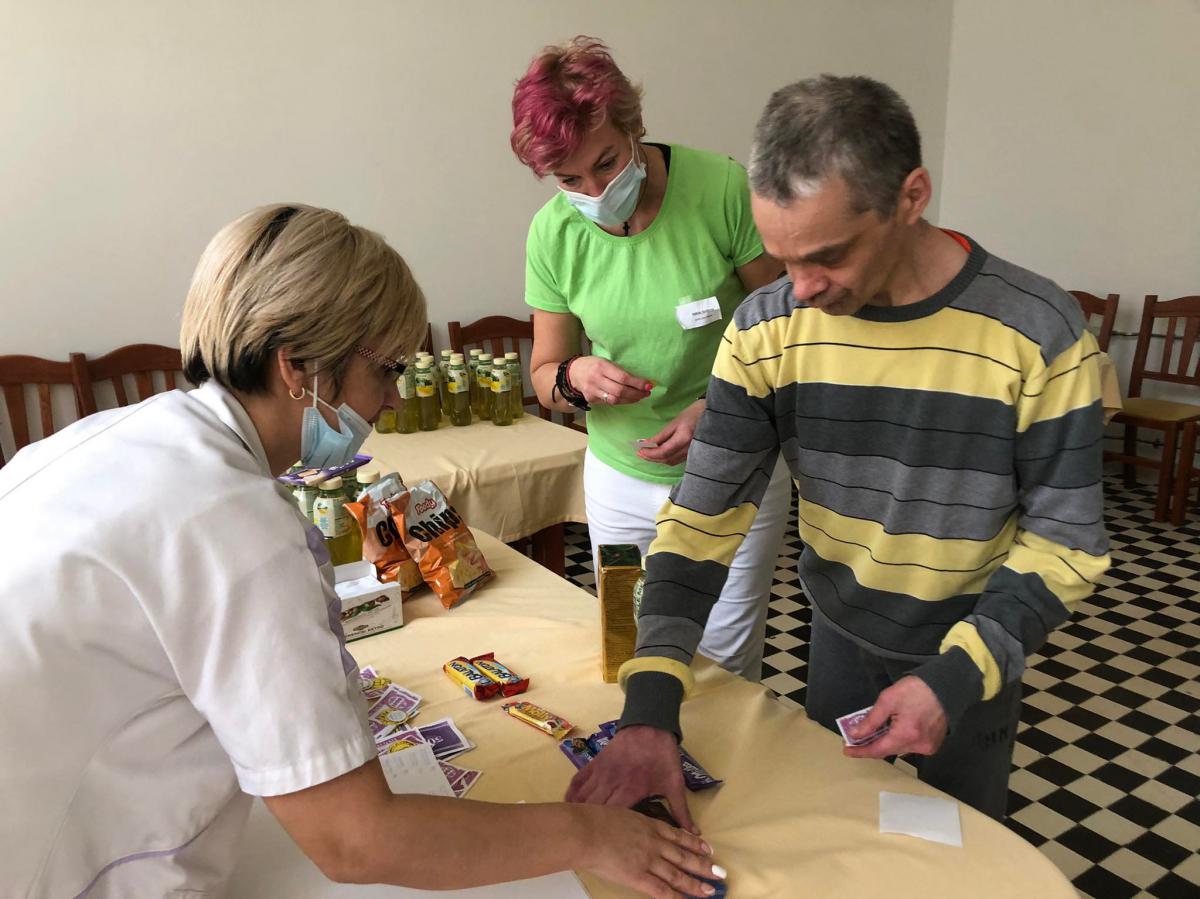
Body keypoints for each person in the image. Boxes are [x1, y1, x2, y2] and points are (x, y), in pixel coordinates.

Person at [0, 204, 722, 898]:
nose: (394, 400)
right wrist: (591, 835)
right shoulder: (232, 526)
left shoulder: (110, 437)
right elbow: (354, 840)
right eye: (387, 371)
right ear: (299, 366)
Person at [568, 75, 1112, 828]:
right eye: (782, 259)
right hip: (837, 632)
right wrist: (650, 708)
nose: (801, 289)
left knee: (960, 846)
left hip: (971, 645)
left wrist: (957, 679)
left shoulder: (1038, 331)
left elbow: (1067, 540)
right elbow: (700, 521)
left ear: (911, 196)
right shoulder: (766, 329)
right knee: (836, 831)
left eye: (827, 256)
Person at [512, 36, 792, 681]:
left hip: (734, 466)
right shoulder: (553, 234)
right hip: (620, 474)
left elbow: (787, 332)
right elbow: (546, 376)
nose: (595, 190)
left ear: (634, 127)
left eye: (607, 162)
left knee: (723, 661)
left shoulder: (721, 188)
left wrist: (716, 408)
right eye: (570, 180)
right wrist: (576, 376)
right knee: (628, 644)